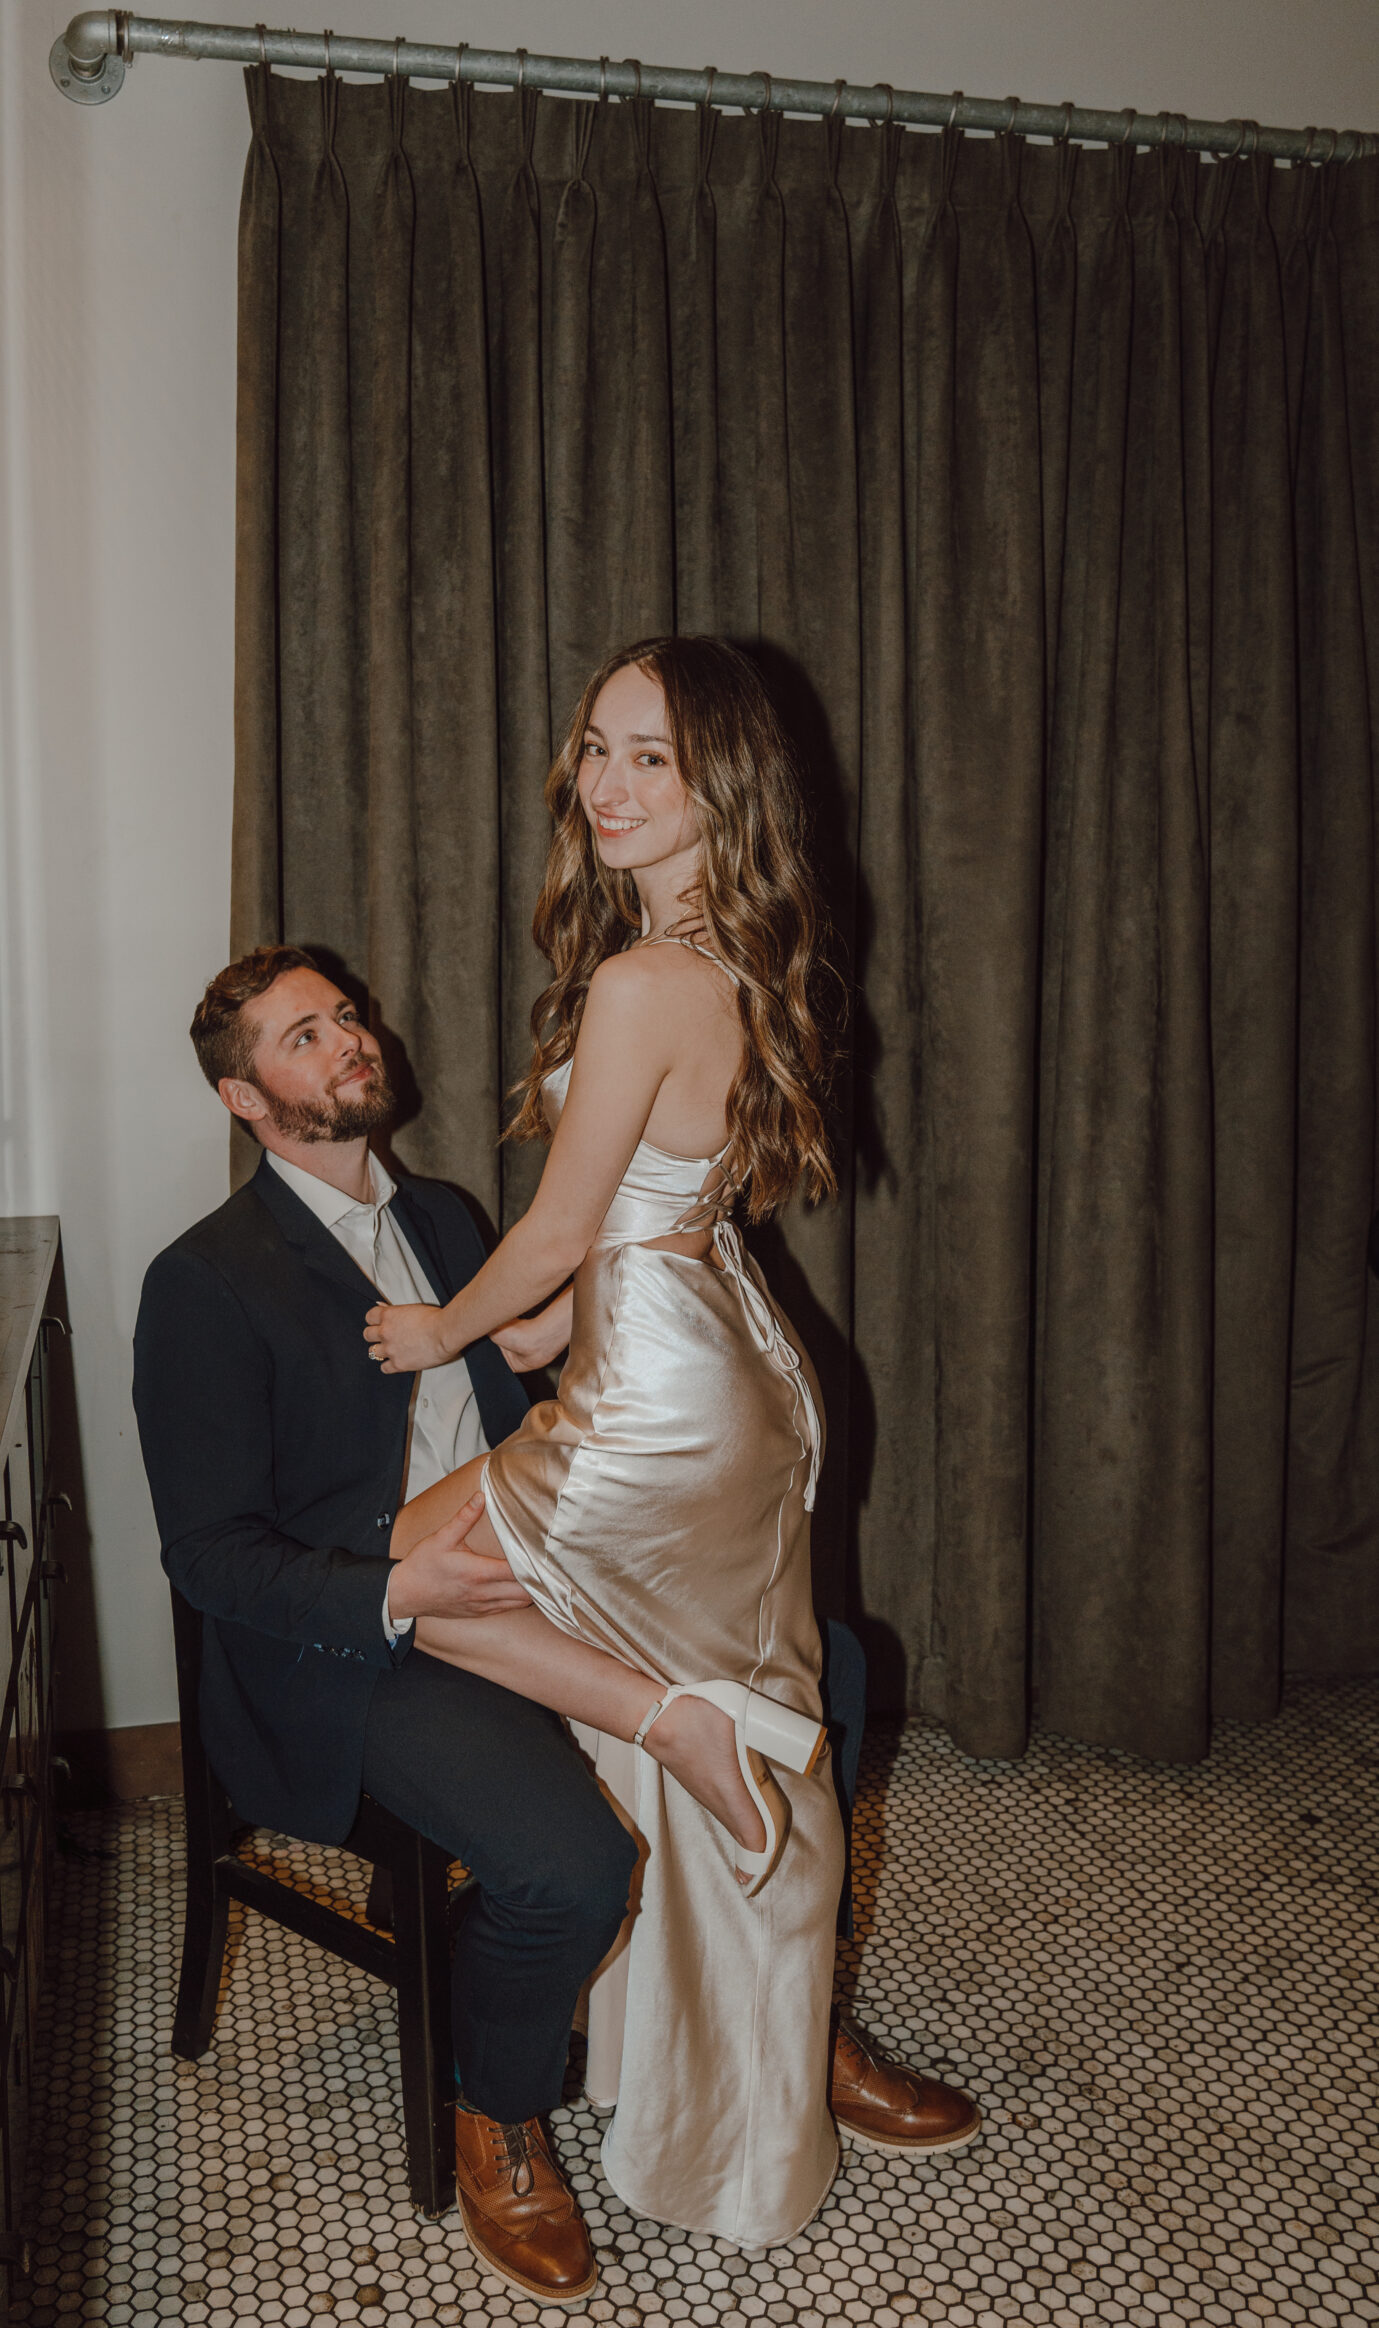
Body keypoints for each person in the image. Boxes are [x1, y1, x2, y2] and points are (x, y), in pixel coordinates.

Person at [136, 937, 974, 2301]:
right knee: (572, 1867)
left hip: (543, 1567)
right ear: (244, 1099)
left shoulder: (455, 1220)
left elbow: (563, 1412)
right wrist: (401, 1589)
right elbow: (212, 1558)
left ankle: (784, 2018)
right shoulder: (208, 1281)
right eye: (301, 1038)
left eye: (346, 1016)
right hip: (373, 1641)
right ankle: (499, 2107)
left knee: (825, 1689)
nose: (346, 1041)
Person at [363, 635, 937, 2248]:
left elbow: (553, 1234)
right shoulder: (723, 957)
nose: (607, 787)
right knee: (708, 1662)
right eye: (597, 751)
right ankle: (728, 1907)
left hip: (670, 1403)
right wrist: (563, 1320)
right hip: (702, 1350)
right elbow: (655, 1209)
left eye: (651, 761)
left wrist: (444, 1329)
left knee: (394, 1583)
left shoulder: (643, 980)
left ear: (718, 789)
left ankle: (685, 1738)